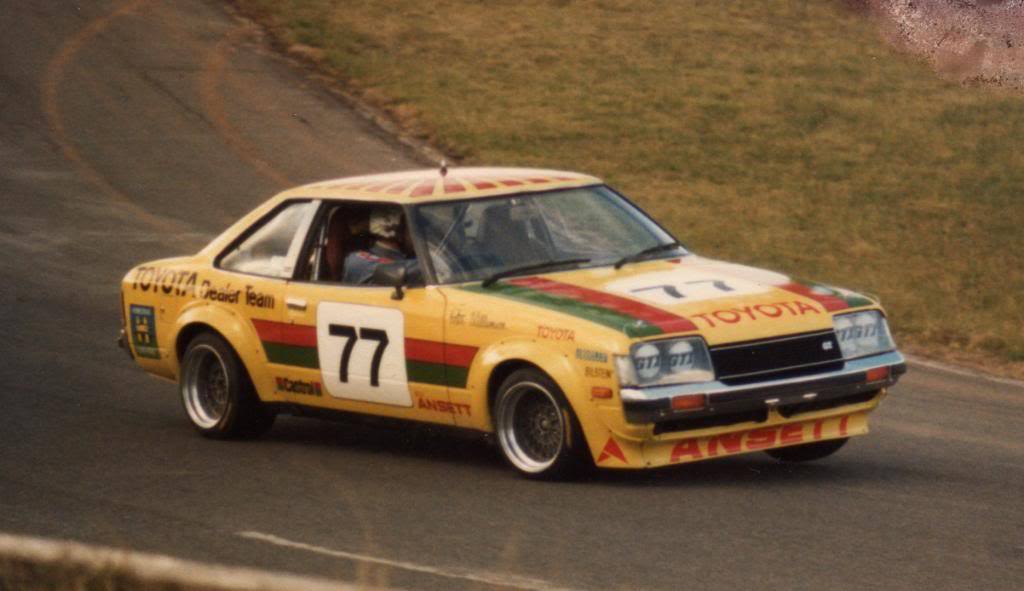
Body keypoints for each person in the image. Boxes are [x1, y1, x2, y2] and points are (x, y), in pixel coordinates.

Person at [342, 207, 419, 285]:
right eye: (412, 227)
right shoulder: (403, 267)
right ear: (397, 232)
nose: (418, 234)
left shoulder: (353, 257)